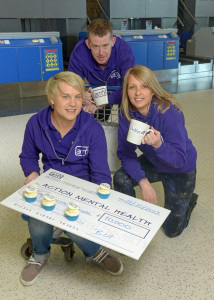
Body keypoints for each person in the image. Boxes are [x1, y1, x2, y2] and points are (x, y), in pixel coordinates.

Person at [19, 71, 123, 286]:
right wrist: (32, 173)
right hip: (50, 184)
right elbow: (28, 156)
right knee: (38, 218)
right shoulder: (35, 124)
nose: (73, 103)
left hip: (84, 187)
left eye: (77, 97)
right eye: (65, 96)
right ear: (52, 99)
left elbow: (101, 170)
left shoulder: (91, 128)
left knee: (78, 226)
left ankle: (95, 252)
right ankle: (39, 255)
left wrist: (101, 195)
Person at [113, 66, 198, 238]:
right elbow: (126, 153)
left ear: (153, 90)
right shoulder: (126, 114)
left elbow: (179, 159)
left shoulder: (168, 113)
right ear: (126, 91)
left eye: (144, 86)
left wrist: (159, 145)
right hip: (154, 162)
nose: (138, 93)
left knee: (172, 231)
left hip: (179, 168)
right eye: (132, 87)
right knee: (121, 178)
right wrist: (143, 182)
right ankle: (130, 221)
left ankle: (189, 201)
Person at [68, 18, 135, 119]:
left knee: (127, 121)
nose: (101, 52)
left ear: (113, 41)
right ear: (88, 44)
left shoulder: (124, 51)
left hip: (120, 93)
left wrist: (105, 100)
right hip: (94, 97)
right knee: (94, 122)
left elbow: (130, 85)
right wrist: (80, 95)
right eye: (95, 46)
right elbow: (71, 85)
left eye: (105, 45)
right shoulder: (79, 53)